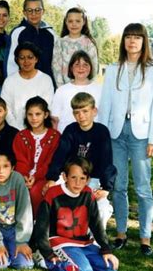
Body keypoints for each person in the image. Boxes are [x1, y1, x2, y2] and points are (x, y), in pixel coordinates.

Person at [98, 23, 153, 256]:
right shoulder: (113, 68)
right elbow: (105, 104)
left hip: (142, 134)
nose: (132, 41)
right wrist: (104, 136)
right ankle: (121, 234)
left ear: (144, 41)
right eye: (128, 37)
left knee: (143, 188)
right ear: (124, 41)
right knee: (118, 186)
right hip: (116, 133)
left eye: (137, 37)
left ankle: (145, 238)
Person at [31, 157, 119, 271]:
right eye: (73, 177)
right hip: (60, 242)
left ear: (88, 180)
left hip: (83, 243)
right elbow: (41, 227)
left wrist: (106, 249)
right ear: (65, 177)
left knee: (110, 267)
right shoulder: (52, 194)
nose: (78, 183)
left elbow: (96, 224)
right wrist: (47, 252)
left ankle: (79, 260)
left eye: (82, 178)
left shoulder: (88, 194)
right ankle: (44, 261)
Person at [45, 92, 116, 229]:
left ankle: (95, 242)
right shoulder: (71, 130)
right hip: (70, 177)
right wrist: (52, 178)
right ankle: (54, 239)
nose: (81, 116)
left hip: (93, 179)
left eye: (85, 111)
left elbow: (107, 161)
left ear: (94, 111)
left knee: (102, 208)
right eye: (77, 112)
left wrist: (106, 188)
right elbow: (60, 156)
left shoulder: (102, 131)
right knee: (51, 197)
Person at [13, 96, 60, 217]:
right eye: (30, 114)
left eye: (38, 114)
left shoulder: (54, 136)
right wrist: (25, 177)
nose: (34, 118)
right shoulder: (21, 136)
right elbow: (20, 160)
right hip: (23, 177)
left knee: (35, 192)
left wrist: (36, 176)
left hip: (44, 176)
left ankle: (36, 224)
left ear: (45, 115)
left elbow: (50, 161)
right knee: (15, 192)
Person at [4, 0, 56, 86]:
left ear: (43, 11)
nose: (34, 14)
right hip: (23, 83)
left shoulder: (51, 34)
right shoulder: (17, 32)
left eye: (37, 10)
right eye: (29, 10)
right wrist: (11, 84)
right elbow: (10, 62)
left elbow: (56, 63)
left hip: (46, 84)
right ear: (24, 12)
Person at [1, 42, 54, 130]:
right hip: (15, 130)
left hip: (40, 129)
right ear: (17, 60)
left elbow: (47, 105)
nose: (26, 61)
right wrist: (16, 128)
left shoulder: (45, 79)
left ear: (36, 59)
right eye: (22, 58)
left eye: (30, 57)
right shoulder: (10, 81)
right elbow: (6, 107)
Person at [51, 50, 101, 134]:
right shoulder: (61, 90)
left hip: (93, 136)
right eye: (77, 64)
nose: (81, 68)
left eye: (85, 65)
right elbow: (55, 119)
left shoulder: (100, 89)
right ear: (71, 68)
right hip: (67, 138)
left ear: (90, 68)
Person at [52, 7, 99, 87]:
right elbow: (56, 68)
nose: (74, 24)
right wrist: (62, 89)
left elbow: (94, 68)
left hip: (85, 89)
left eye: (77, 21)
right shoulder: (60, 43)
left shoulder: (88, 43)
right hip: (65, 88)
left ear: (83, 22)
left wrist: (88, 88)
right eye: (70, 21)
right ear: (66, 22)